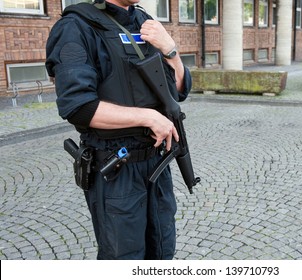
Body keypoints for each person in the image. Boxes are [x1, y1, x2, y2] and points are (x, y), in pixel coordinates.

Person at [45, 0, 192, 260]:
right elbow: (77, 107)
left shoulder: (144, 22)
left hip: (156, 165)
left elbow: (178, 91)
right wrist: (147, 117)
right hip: (116, 171)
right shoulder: (76, 26)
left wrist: (172, 52)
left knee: (162, 251)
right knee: (123, 258)